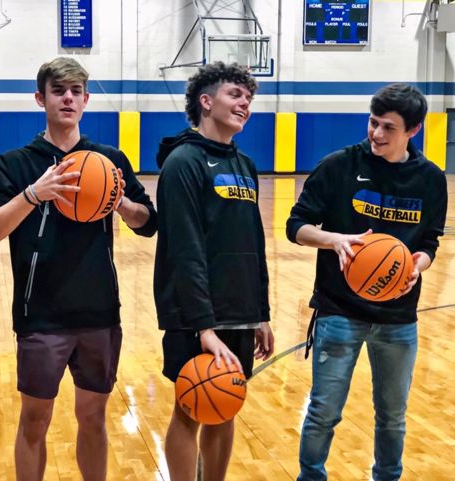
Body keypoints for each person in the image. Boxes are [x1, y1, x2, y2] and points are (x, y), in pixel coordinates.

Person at [0, 56, 157, 481]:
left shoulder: (108, 160)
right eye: (58, 91)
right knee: (34, 420)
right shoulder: (15, 164)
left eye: (76, 91)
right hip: (41, 314)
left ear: (86, 99)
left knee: (93, 417)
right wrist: (33, 194)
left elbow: (149, 222)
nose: (68, 99)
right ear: (40, 99)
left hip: (99, 311)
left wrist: (120, 202)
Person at [286, 83, 448, 481]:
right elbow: (296, 226)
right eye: (373, 122)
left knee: (392, 416)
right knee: (323, 411)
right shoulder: (338, 166)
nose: (376, 133)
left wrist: (419, 264)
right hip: (338, 310)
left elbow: (429, 241)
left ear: (413, 130)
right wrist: (334, 240)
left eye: (388, 127)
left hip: (398, 318)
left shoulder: (430, 179)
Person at [153, 61, 275, 481]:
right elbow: (184, 249)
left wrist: (260, 313)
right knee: (190, 408)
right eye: (235, 95)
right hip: (195, 316)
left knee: (224, 406)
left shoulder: (245, 165)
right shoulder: (182, 162)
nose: (245, 104)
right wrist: (203, 326)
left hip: (239, 310)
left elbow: (255, 243)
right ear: (206, 102)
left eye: (248, 98)